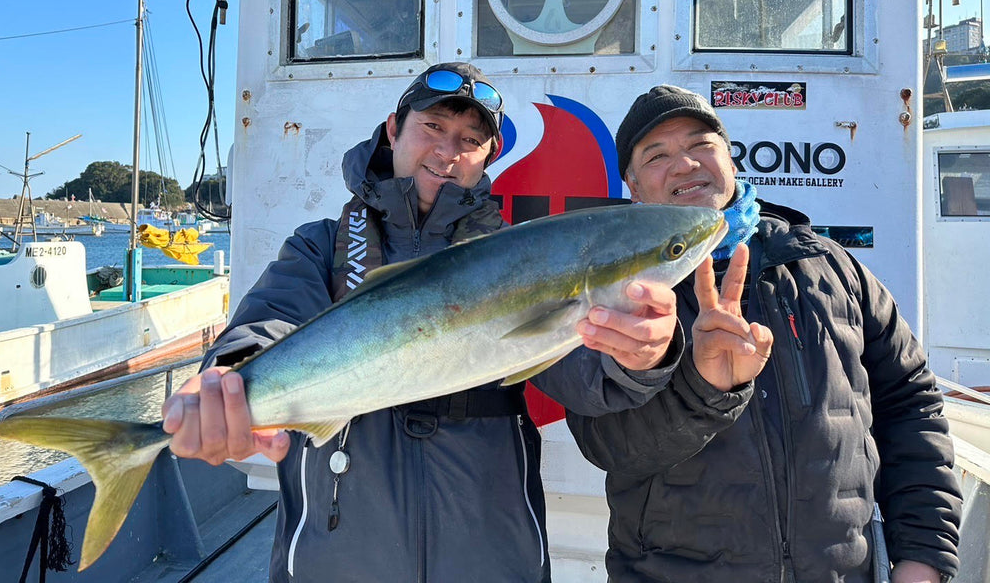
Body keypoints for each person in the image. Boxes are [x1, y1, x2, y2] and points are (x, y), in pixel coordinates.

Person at [161, 63, 690, 583]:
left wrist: (643, 358)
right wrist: (224, 378)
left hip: (490, 552)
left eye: (469, 139)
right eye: (432, 127)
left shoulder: (519, 259)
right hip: (340, 554)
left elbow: (587, 378)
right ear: (394, 130)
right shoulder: (321, 247)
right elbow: (264, 325)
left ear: (490, 156)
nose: (447, 151)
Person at [567, 85, 962, 583]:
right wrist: (705, 391)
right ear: (633, 187)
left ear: (729, 159)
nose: (685, 164)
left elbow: (911, 405)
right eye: (657, 155)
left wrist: (924, 556)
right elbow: (607, 445)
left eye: (700, 144)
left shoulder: (832, 268)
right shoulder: (617, 294)